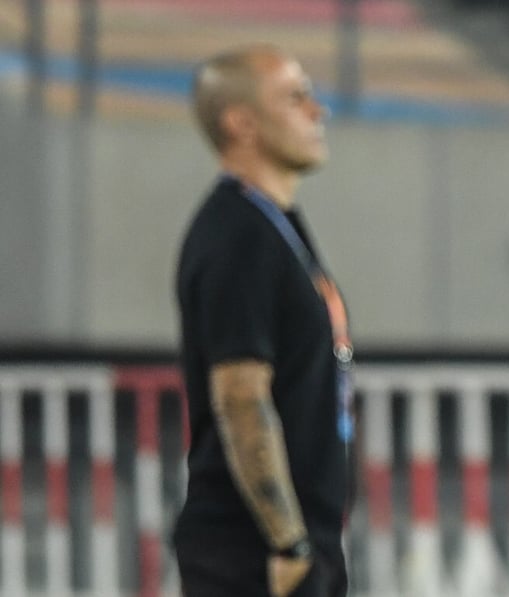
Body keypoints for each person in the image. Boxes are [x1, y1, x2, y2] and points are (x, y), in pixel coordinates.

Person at [173, 44, 351, 597]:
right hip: (256, 558)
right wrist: (289, 544)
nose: (316, 111)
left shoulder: (275, 225)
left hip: (295, 549)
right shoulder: (237, 236)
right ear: (241, 122)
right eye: (295, 97)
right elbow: (241, 399)